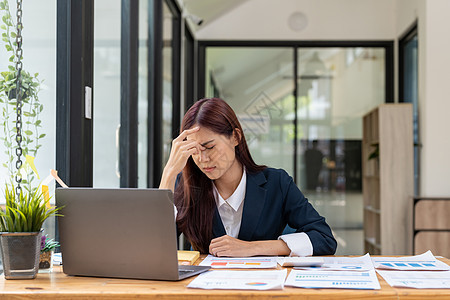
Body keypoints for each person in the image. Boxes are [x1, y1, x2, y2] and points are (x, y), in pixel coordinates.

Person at [159, 98, 336, 257]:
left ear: (235, 137)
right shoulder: (187, 186)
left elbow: (324, 238)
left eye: (210, 147)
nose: (203, 159)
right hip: (205, 292)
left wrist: (252, 248)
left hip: (262, 289)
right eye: (194, 151)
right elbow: (154, 246)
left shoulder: (277, 183)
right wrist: (168, 173)